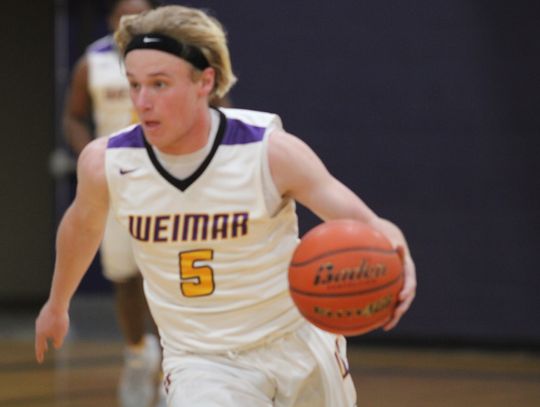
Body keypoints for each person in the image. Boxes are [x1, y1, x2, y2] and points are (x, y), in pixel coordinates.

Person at [36, 4, 416, 406]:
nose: (142, 101)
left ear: (205, 81)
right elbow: (82, 226)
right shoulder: (107, 161)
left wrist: (400, 258)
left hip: (296, 340)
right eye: (134, 84)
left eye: (160, 84)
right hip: (202, 361)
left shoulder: (269, 151)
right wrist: (57, 304)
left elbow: (369, 223)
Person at [61, 1, 164, 406]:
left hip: (168, 180)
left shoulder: (175, 55)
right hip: (118, 181)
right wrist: (91, 158)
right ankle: (138, 356)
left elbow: (217, 106)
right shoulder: (93, 61)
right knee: (124, 277)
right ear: (111, 21)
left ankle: (177, 364)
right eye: (125, 16)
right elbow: (73, 117)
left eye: (141, 15)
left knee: (166, 275)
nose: (133, 23)